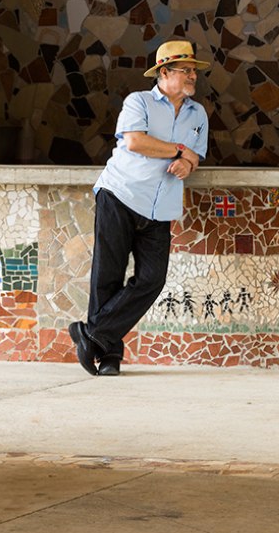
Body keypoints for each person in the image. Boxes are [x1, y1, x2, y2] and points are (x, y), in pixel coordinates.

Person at [69, 39, 210, 377]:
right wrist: (178, 151)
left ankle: (92, 335)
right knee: (108, 276)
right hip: (121, 194)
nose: (193, 76)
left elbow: (196, 157)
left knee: (152, 278)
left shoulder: (198, 113)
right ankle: (109, 357)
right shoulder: (140, 101)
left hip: (161, 206)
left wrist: (188, 165)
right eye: (186, 70)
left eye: (194, 70)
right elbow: (134, 141)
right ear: (164, 73)